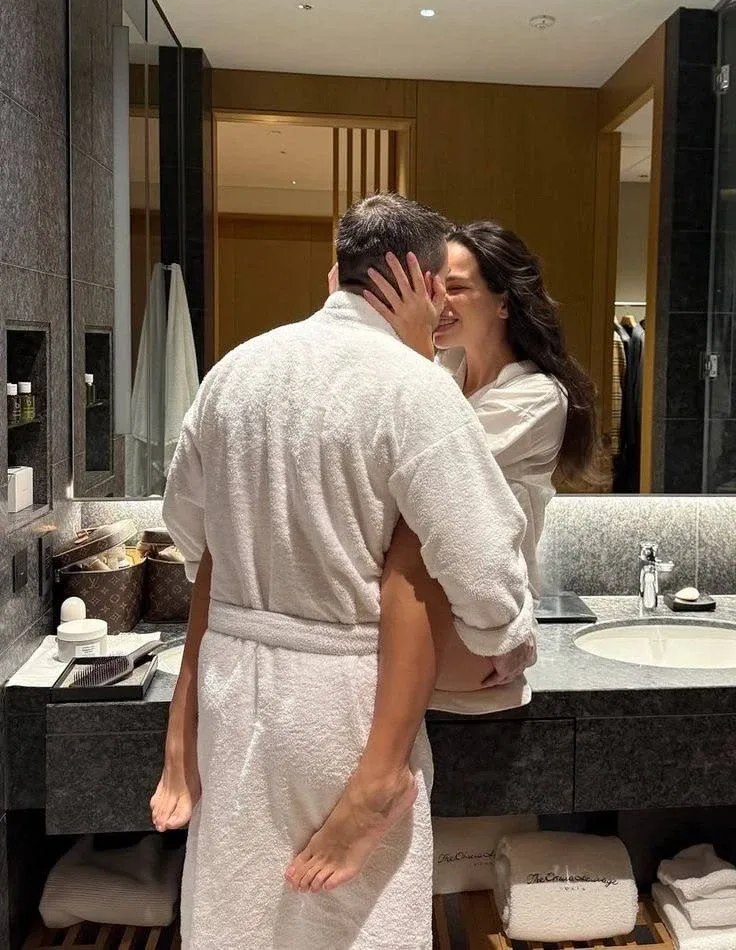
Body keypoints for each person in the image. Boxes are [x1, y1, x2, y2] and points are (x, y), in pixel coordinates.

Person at [151, 194, 536, 950]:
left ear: (339, 271)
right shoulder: (415, 388)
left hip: (235, 694)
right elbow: (482, 559)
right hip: (344, 703)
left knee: (242, 909)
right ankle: (377, 790)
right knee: (353, 926)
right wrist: (503, 635)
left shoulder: (234, 372)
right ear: (426, 284)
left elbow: (191, 528)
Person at [288, 221, 598, 893]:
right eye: (433, 285)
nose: (437, 302)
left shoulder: (535, 395)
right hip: (431, 630)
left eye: (456, 288)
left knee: (417, 537)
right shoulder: (446, 372)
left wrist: (401, 345)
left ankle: (377, 784)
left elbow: (426, 475)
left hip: (469, 635)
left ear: (504, 301)